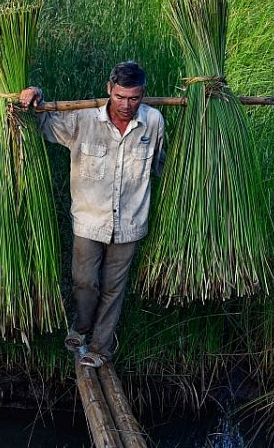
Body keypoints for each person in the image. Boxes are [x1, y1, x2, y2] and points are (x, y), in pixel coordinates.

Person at [19, 61, 165, 367]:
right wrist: (34, 95)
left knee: (114, 288)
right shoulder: (83, 120)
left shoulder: (153, 122)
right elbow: (42, 121)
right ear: (109, 89)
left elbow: (160, 165)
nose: (127, 105)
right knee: (85, 282)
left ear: (143, 95)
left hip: (130, 222)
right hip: (88, 220)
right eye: (121, 96)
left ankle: (100, 348)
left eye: (134, 98)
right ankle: (81, 326)